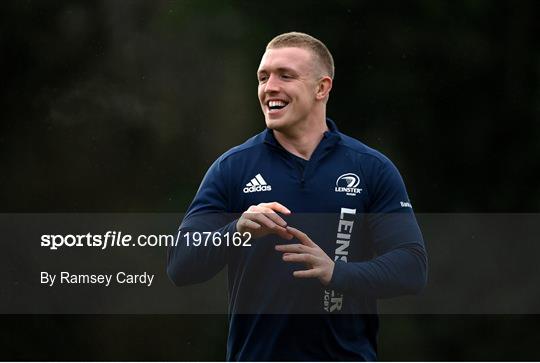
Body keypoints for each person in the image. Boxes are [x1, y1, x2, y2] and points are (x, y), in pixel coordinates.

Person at [167, 32, 427, 361]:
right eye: (263, 77)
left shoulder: (370, 168)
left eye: (285, 76)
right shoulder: (232, 168)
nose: (269, 87)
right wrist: (236, 232)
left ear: (322, 87)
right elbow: (180, 265)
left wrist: (336, 273)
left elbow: (411, 267)